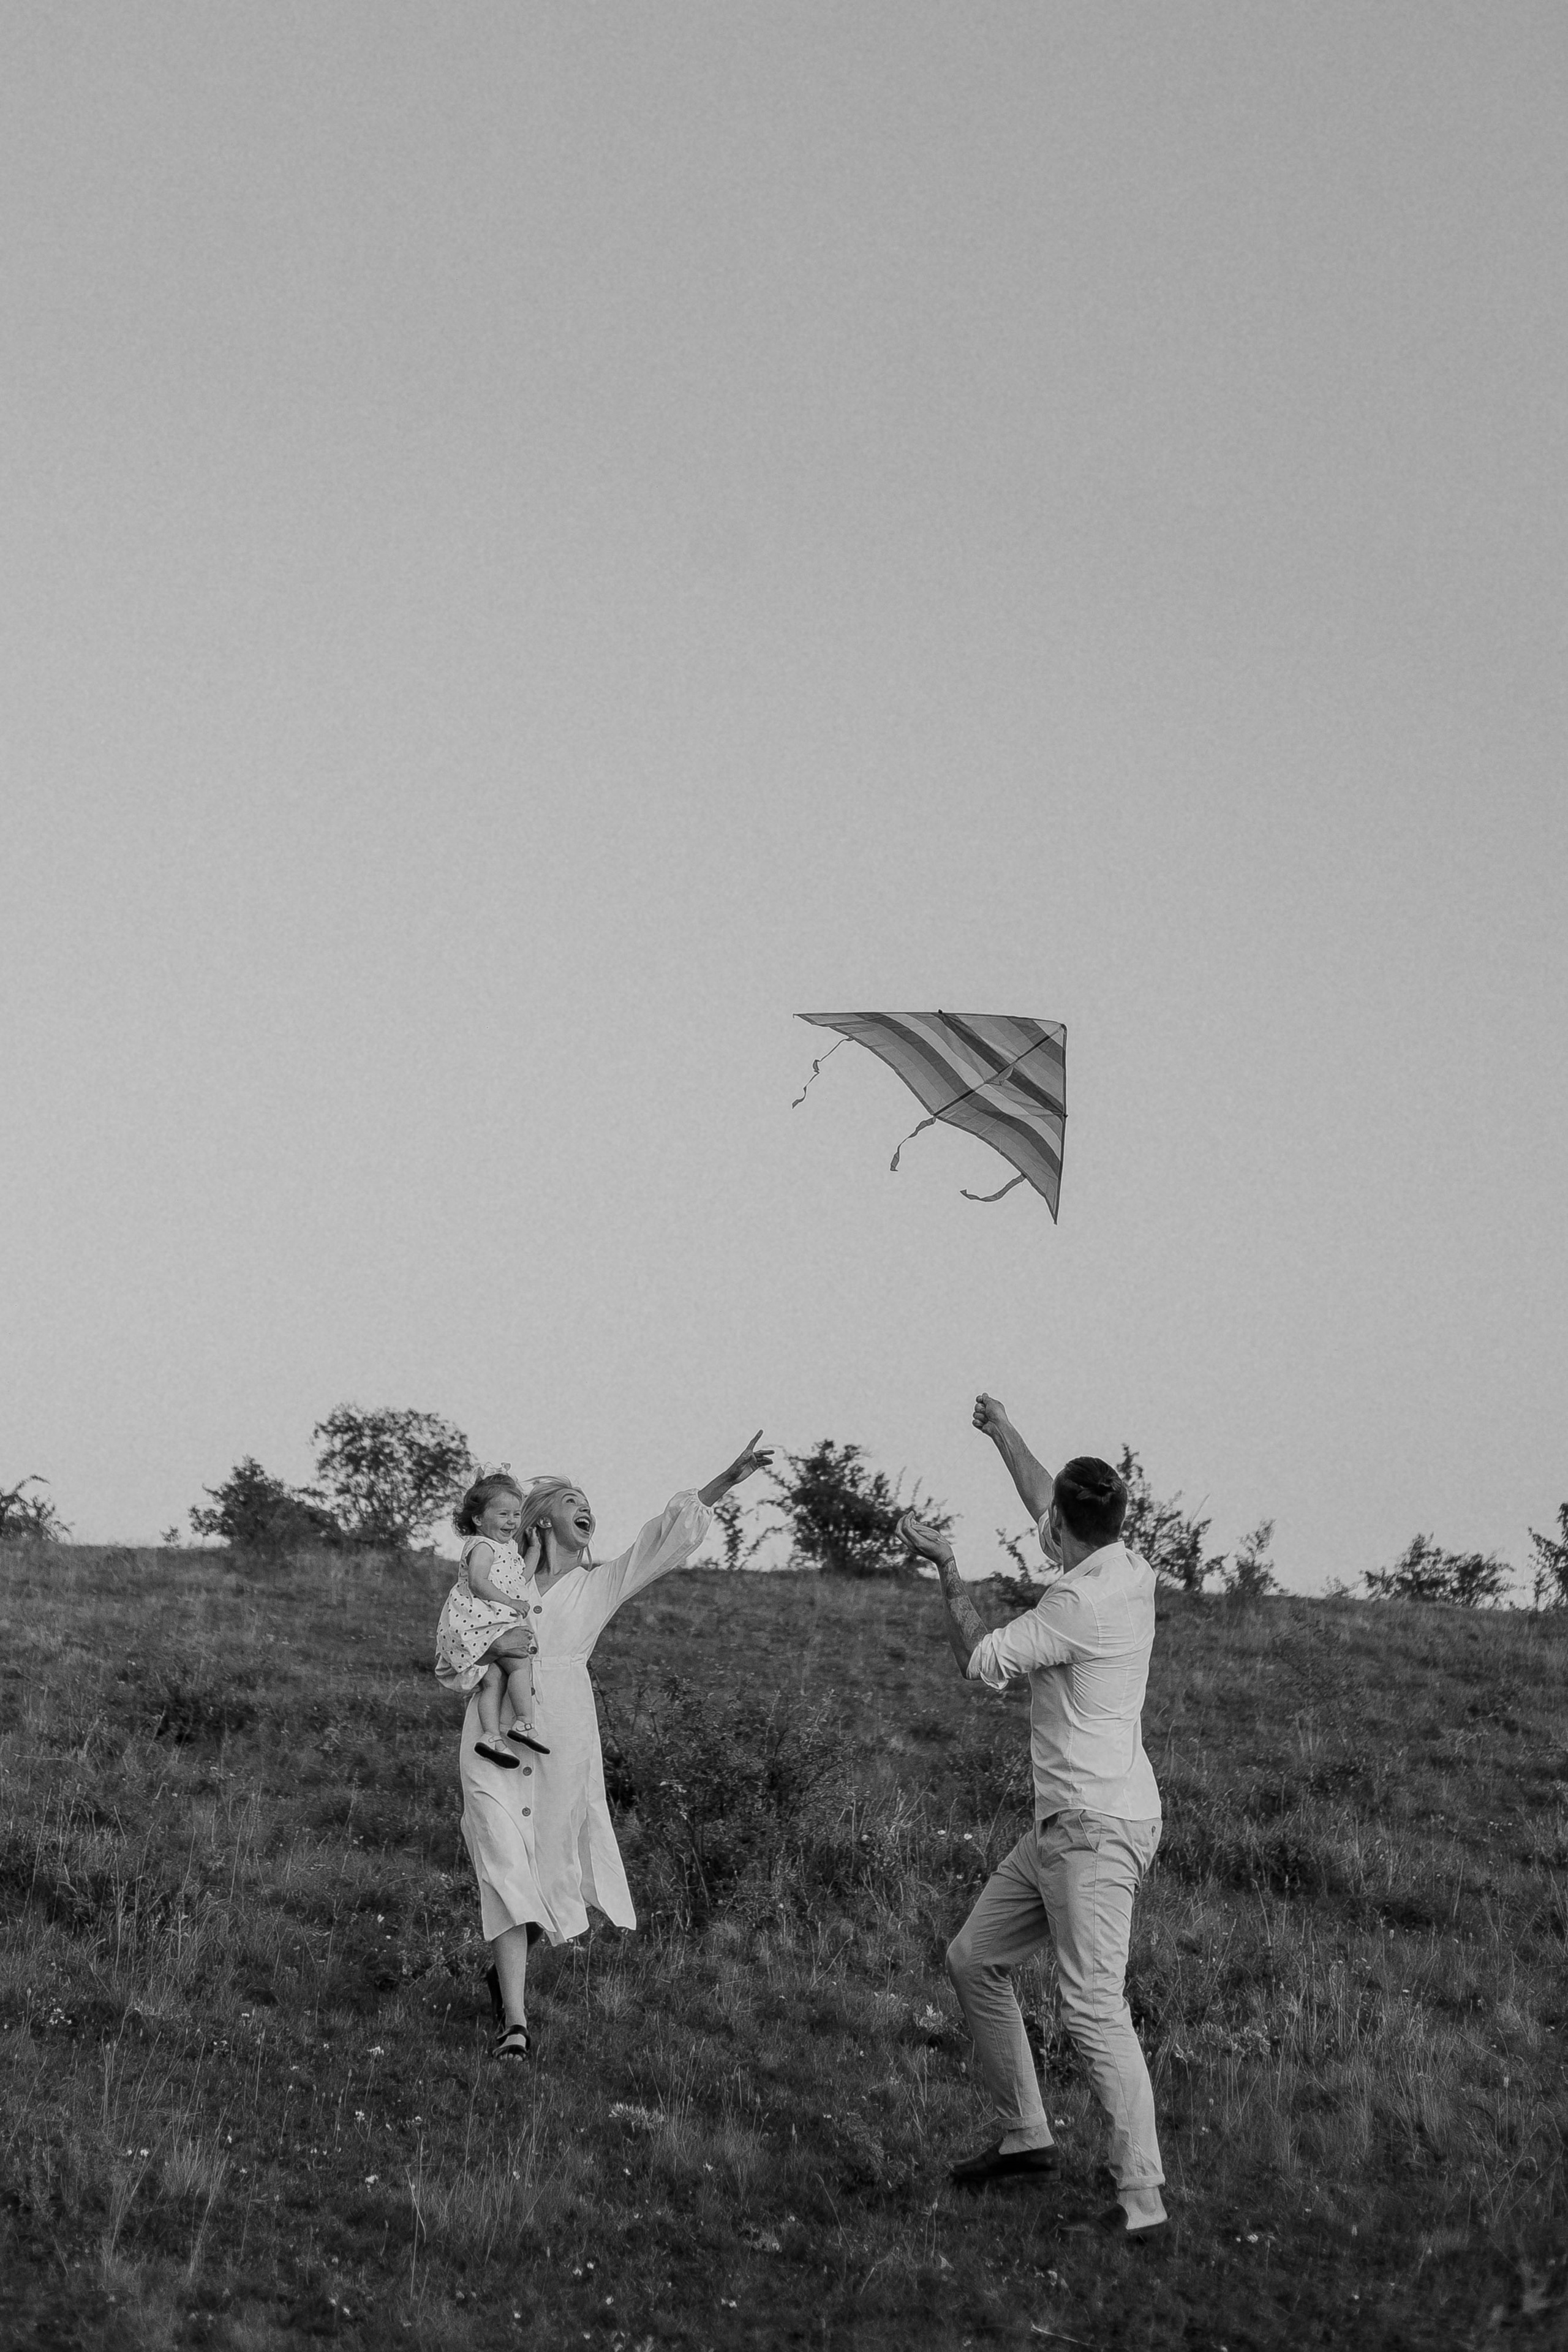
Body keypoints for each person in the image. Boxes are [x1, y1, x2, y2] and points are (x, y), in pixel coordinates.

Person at [899, 1392, 1167, 2242]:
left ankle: (1143, 2203)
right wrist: (1002, 1432)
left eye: (1050, 1521)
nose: (1042, 1523)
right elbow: (1051, 1502)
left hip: (1092, 1832)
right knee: (975, 1957)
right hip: (1080, 1820)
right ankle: (1026, 2137)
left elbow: (980, 1661)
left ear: (1063, 1536)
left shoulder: (1075, 1609)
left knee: (1092, 2009)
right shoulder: (1126, 1566)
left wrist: (946, 1564)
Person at [459, 1434, 772, 2062]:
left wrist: (724, 1480)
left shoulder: (598, 1584)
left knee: (547, 1867)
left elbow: (663, 1538)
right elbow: (458, 1628)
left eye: (588, 1503)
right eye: (573, 1500)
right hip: (491, 1734)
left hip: (562, 1735)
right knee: (500, 1859)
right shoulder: (500, 1573)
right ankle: (514, 2024)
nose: (587, 1510)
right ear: (541, 1517)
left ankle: (505, 1977)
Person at [436, 1470, 549, 1768]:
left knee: (493, 1679)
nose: (512, 1522)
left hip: (486, 1622)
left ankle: (490, 1736)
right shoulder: (483, 1546)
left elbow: (518, 1580)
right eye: (503, 1514)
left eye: (516, 1514)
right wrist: (510, 1602)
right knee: (520, 1663)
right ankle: (524, 1721)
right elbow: (478, 1581)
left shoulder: (506, 1549)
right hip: (478, 1621)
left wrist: (535, 1551)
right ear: (478, 1519)